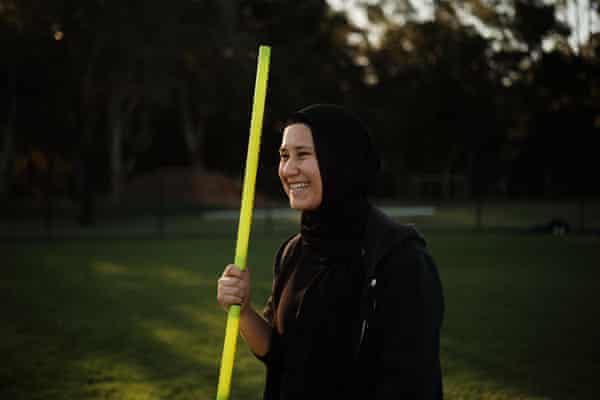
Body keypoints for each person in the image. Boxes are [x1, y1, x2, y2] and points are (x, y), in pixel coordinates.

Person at [217, 104, 444, 399]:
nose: (288, 169)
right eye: (284, 156)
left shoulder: (399, 259)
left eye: (303, 154)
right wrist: (244, 311)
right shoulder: (293, 251)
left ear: (340, 160)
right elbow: (279, 354)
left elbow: (411, 384)